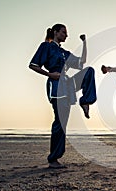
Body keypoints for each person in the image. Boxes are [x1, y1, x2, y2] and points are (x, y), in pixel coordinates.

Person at [29, 24, 97, 168]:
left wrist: (84, 43)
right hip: (56, 87)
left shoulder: (64, 52)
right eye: (64, 32)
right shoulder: (46, 47)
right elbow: (33, 65)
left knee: (89, 71)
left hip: (68, 85)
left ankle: (85, 101)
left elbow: (81, 62)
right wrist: (49, 74)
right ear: (55, 32)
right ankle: (53, 159)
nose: (66, 35)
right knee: (60, 123)